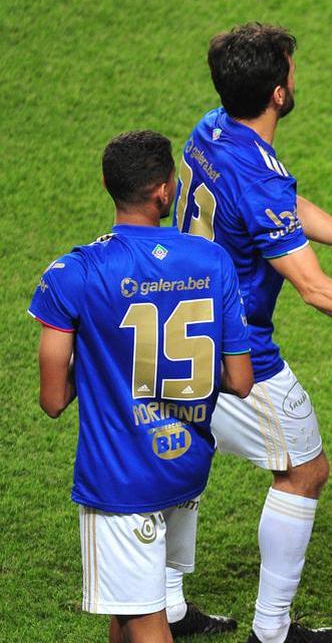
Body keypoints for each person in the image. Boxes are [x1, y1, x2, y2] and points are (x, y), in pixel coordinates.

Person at [174, 23, 332, 643]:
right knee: (305, 470)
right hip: (235, 348)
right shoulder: (256, 173)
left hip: (172, 330)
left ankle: (164, 607)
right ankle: (271, 631)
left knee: (184, 459)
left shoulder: (211, 128)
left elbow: (280, 205)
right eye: (291, 72)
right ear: (277, 93)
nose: (296, 79)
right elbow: (314, 288)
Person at [29, 130, 254, 643]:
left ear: (108, 184)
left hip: (122, 477)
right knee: (127, 604)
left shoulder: (76, 272)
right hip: (185, 467)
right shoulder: (211, 260)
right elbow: (241, 379)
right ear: (165, 192)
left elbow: (52, 399)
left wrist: (107, 359)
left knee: (144, 616)